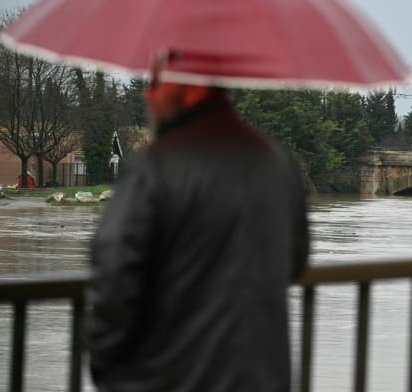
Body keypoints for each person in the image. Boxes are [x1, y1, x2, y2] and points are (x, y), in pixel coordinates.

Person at [86, 74, 310, 391]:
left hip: (172, 378)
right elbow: (296, 261)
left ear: (191, 89)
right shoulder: (277, 161)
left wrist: (106, 367)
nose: (148, 96)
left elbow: (114, 276)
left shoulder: (153, 167)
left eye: (157, 85)